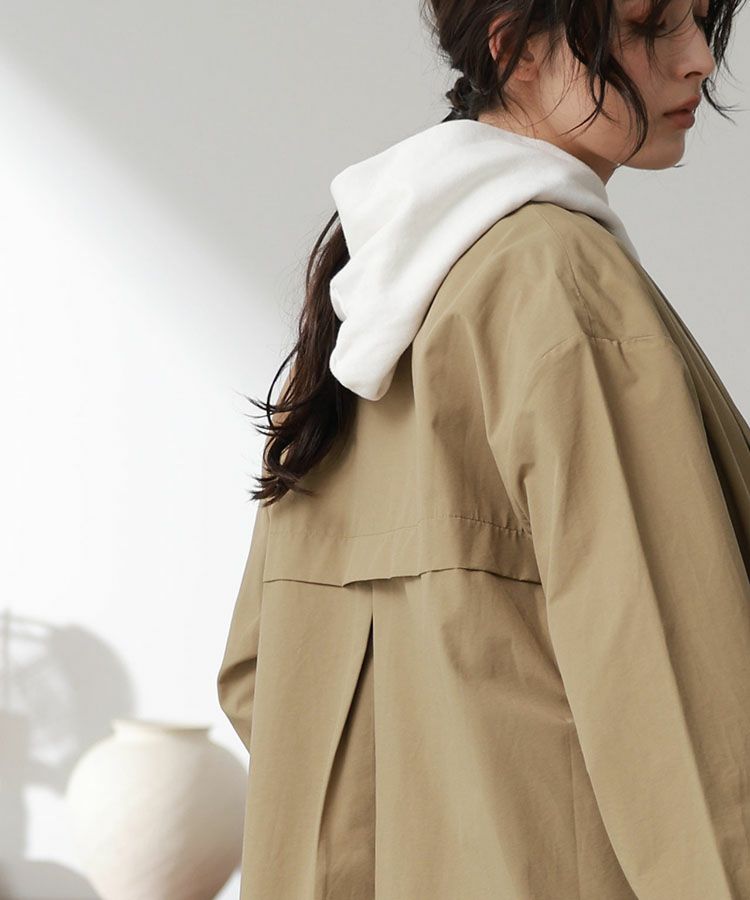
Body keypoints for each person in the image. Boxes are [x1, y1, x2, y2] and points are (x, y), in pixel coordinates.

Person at [217, 0, 750, 897]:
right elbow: (681, 709)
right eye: (649, 24)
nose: (699, 57)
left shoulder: (371, 291)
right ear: (514, 51)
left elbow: (258, 679)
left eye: (703, 19)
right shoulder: (558, 281)